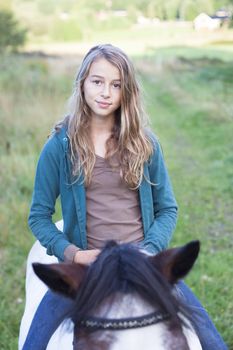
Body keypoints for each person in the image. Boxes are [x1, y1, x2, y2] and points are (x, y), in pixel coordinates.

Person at [20, 44, 227, 349]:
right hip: (89, 267)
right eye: (97, 81)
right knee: (36, 339)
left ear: (126, 92)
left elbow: (167, 208)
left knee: (210, 337)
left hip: (142, 265)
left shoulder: (145, 145)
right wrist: (73, 254)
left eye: (116, 85)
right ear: (82, 83)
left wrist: (150, 252)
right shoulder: (59, 147)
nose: (105, 92)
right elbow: (39, 216)